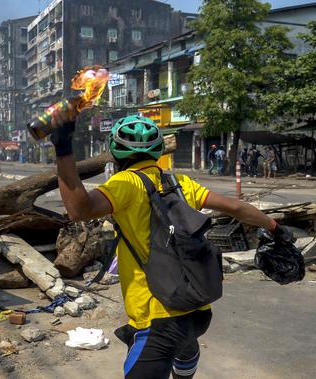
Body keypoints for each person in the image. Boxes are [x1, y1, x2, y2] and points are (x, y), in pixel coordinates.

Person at [49, 110, 291, 379]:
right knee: (185, 346)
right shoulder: (178, 183)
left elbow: (78, 209)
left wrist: (63, 149)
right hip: (197, 311)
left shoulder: (125, 182)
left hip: (158, 319)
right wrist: (275, 228)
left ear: (115, 151)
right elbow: (235, 206)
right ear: (158, 150)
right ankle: (186, 361)